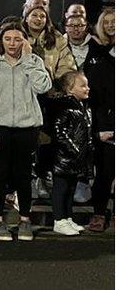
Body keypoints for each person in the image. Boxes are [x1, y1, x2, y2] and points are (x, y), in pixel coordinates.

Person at [0, 22, 53, 242]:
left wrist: (29, 60)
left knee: (23, 176)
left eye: (18, 39)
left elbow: (43, 87)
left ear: (25, 41)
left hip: (27, 127)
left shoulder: (34, 62)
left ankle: (25, 220)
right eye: (8, 38)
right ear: (1, 40)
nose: (12, 43)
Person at [50, 71, 94, 236]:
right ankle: (58, 219)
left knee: (70, 188)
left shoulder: (84, 107)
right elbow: (59, 131)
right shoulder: (65, 105)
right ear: (70, 89)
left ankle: (67, 217)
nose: (87, 88)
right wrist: (73, 149)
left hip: (76, 158)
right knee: (61, 188)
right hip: (64, 157)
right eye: (82, 85)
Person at [84, 36, 114, 232]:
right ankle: (99, 213)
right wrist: (104, 127)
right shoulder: (103, 64)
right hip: (109, 130)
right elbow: (97, 100)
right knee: (105, 174)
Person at [23, 5, 76, 89]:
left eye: (42, 16)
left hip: (50, 91)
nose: (38, 19)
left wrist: (55, 87)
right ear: (26, 19)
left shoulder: (58, 41)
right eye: (34, 15)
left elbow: (67, 68)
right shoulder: (17, 39)